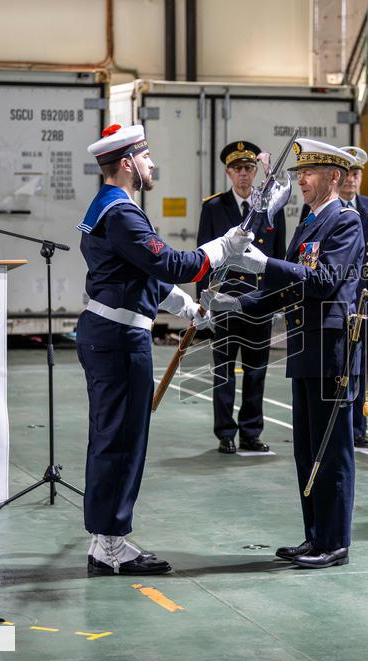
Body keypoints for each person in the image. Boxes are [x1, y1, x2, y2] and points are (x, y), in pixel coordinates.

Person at [77, 124, 249, 576]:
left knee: (110, 438)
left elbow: (142, 274)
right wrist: (224, 246)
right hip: (118, 340)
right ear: (128, 163)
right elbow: (172, 263)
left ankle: (103, 539)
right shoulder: (123, 214)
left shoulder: (111, 208)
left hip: (109, 333)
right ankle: (113, 545)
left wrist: (182, 304)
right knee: (122, 442)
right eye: (146, 156)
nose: (153, 164)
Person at [202, 138, 364, 569]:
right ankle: (315, 537)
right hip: (306, 345)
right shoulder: (310, 221)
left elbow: (325, 280)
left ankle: (335, 543)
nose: (300, 182)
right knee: (307, 450)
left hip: (333, 351)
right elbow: (289, 287)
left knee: (331, 450)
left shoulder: (346, 222)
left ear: (334, 177)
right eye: (298, 173)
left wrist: (265, 265)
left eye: (308, 174)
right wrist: (239, 304)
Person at [197, 141, 287, 454]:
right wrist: (203, 303)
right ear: (228, 172)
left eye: (249, 168)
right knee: (223, 371)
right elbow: (203, 258)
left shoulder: (269, 208)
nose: (244, 175)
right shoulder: (213, 208)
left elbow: (278, 258)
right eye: (237, 169)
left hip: (259, 301)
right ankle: (225, 433)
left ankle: (251, 431)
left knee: (256, 370)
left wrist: (278, 301)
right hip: (224, 300)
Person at [299, 146, 368, 450]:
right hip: (333, 301)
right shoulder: (316, 212)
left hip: (362, 300)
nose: (353, 179)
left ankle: (358, 427)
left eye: (357, 173)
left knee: (362, 365)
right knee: (343, 371)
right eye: (349, 173)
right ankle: (349, 426)